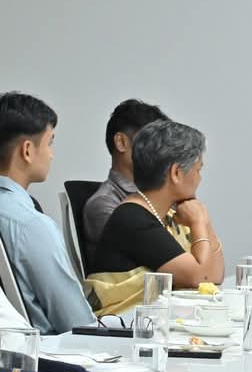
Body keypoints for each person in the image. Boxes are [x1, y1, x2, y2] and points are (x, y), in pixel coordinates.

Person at [85, 120, 224, 315]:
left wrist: (204, 222)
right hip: (122, 326)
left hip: (149, 322)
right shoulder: (132, 218)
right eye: (198, 170)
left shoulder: (168, 214)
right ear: (176, 173)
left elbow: (215, 275)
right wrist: (199, 222)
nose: (200, 178)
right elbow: (201, 278)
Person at [0, 93, 95, 334]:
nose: (51, 154)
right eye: (49, 142)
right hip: (48, 351)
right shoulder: (31, 226)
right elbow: (76, 323)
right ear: (27, 150)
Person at [83, 99, 169, 265]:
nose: (162, 151)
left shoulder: (162, 197)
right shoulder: (104, 204)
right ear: (122, 142)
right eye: (152, 141)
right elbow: (162, 262)